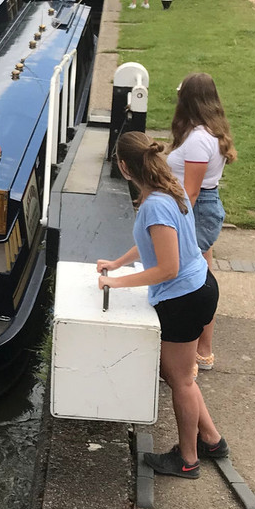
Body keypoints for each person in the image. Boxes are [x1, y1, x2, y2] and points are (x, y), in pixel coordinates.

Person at [97, 131, 227, 478]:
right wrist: (119, 262)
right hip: (198, 287)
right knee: (180, 377)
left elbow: (166, 267)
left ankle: (187, 459)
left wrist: (116, 282)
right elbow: (155, 244)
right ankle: (211, 440)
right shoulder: (170, 187)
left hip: (183, 298)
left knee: (180, 380)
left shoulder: (154, 204)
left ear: (124, 167)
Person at [166, 73, 237, 373]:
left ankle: (188, 357)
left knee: (190, 284)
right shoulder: (211, 132)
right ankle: (203, 352)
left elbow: (191, 190)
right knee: (203, 279)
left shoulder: (197, 141)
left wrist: (177, 220)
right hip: (207, 206)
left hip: (195, 210)